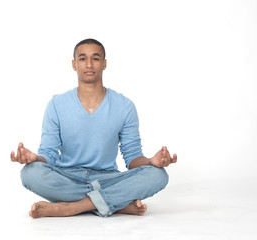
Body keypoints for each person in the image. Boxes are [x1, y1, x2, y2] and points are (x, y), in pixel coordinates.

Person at [10, 38, 177, 218]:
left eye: (95, 58)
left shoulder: (125, 106)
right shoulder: (56, 104)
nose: (89, 64)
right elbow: (48, 154)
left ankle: (71, 207)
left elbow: (132, 158)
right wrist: (34, 158)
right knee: (30, 173)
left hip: (108, 179)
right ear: (74, 64)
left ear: (104, 64)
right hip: (68, 178)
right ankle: (115, 204)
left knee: (158, 175)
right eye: (82, 59)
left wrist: (151, 162)